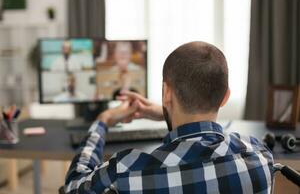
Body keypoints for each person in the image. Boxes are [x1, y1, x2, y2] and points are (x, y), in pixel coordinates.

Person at [64, 41, 274, 193]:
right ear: (225, 97)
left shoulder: (126, 170)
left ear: (166, 92)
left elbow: (75, 186)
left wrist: (103, 120)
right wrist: (164, 111)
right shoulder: (260, 157)